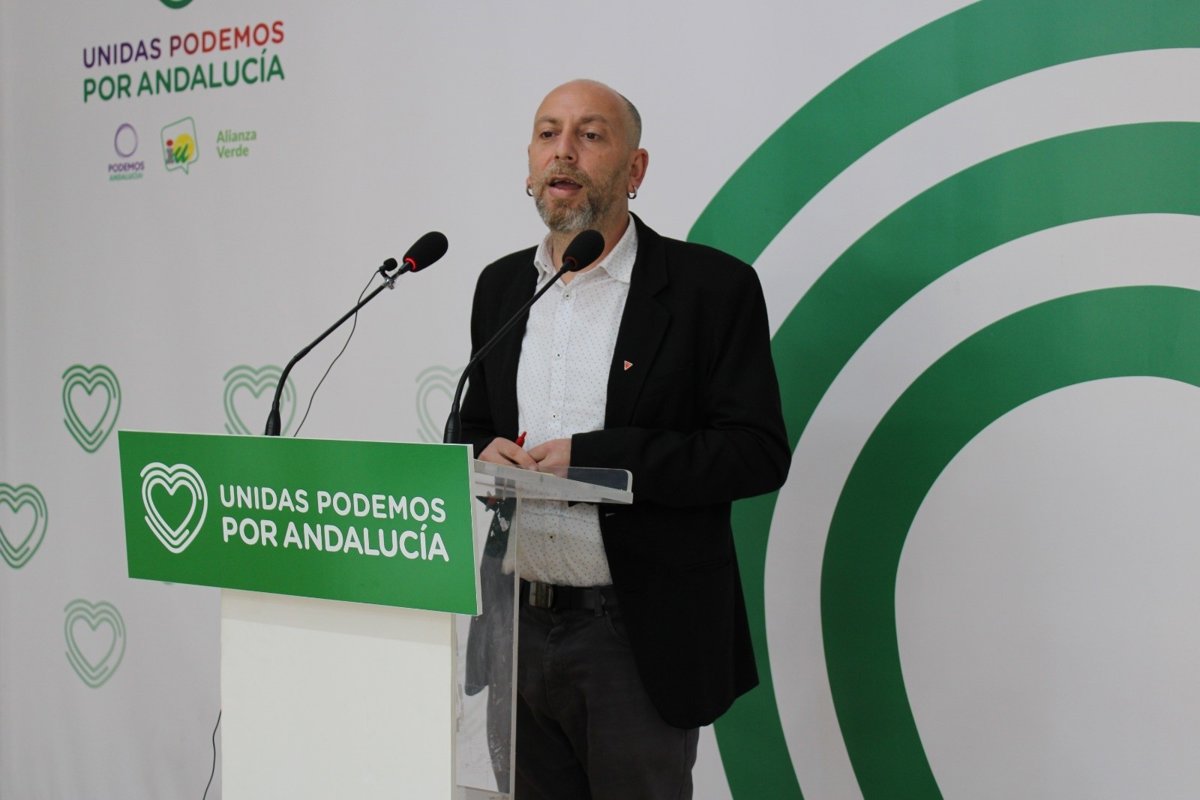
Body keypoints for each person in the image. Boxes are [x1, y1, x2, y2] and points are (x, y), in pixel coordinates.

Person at [458, 78, 790, 800]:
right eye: (548, 133)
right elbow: (472, 420)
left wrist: (598, 458)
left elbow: (755, 451)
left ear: (635, 169)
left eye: (590, 135)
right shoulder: (502, 286)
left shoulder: (711, 289)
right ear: (529, 164)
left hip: (636, 636)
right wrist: (480, 451)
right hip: (516, 623)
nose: (564, 152)